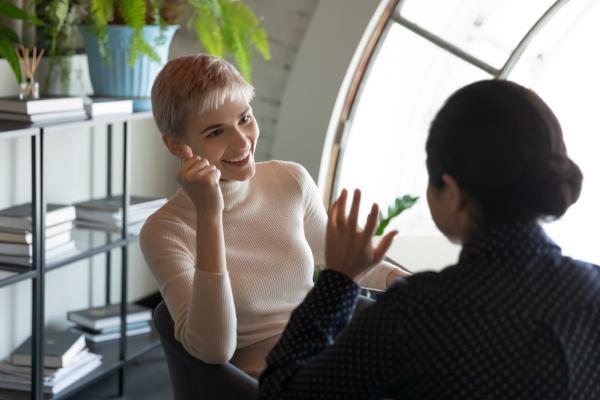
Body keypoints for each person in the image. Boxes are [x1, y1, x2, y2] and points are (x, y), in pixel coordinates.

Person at [259, 79, 600, 399]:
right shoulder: (592, 289)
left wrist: (338, 280)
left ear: (451, 192)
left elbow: (283, 393)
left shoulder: (416, 313)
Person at [139, 54, 407, 379]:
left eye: (244, 118)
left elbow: (340, 260)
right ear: (176, 145)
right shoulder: (164, 230)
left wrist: (403, 281)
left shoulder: (289, 180)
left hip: (333, 352)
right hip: (274, 380)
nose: (241, 141)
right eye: (215, 132)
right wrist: (210, 215)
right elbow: (213, 349)